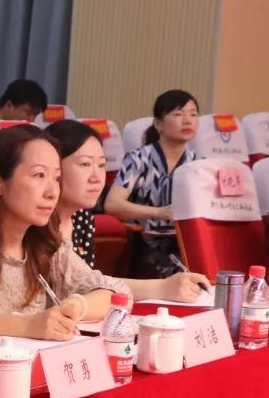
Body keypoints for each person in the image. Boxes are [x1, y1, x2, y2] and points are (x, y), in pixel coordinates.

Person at [0, 125, 129, 341]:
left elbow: (115, 292)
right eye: (39, 175)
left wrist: (76, 306)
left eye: (56, 178)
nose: (52, 192)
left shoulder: (45, 247)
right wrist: (26, 325)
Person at [45, 119, 210, 302]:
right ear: (54, 168)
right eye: (85, 164)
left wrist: (165, 287)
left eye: (101, 165)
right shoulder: (37, 222)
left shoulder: (81, 216)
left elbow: (88, 282)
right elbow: (80, 287)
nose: (97, 178)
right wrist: (162, 287)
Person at [104, 89, 201, 277]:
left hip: (186, 245)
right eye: (178, 114)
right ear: (158, 124)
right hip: (145, 243)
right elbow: (112, 204)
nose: (188, 120)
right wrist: (159, 213)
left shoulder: (199, 164)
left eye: (193, 114)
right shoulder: (138, 159)